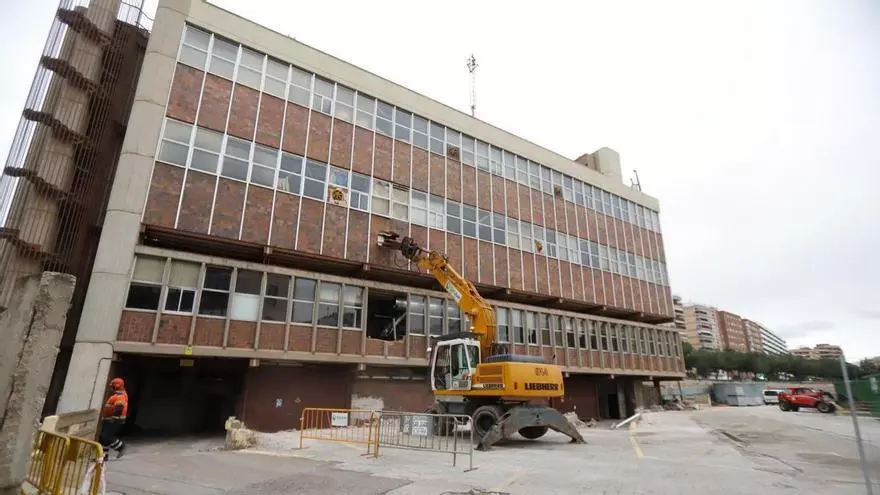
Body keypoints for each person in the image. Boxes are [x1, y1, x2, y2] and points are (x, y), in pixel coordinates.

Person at [99, 377, 128, 460]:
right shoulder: (117, 395)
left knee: (106, 436)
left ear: (117, 386)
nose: (111, 388)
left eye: (112, 386)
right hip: (109, 419)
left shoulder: (120, 396)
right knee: (103, 438)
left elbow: (119, 407)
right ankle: (104, 456)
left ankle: (121, 447)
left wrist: (114, 417)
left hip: (115, 420)